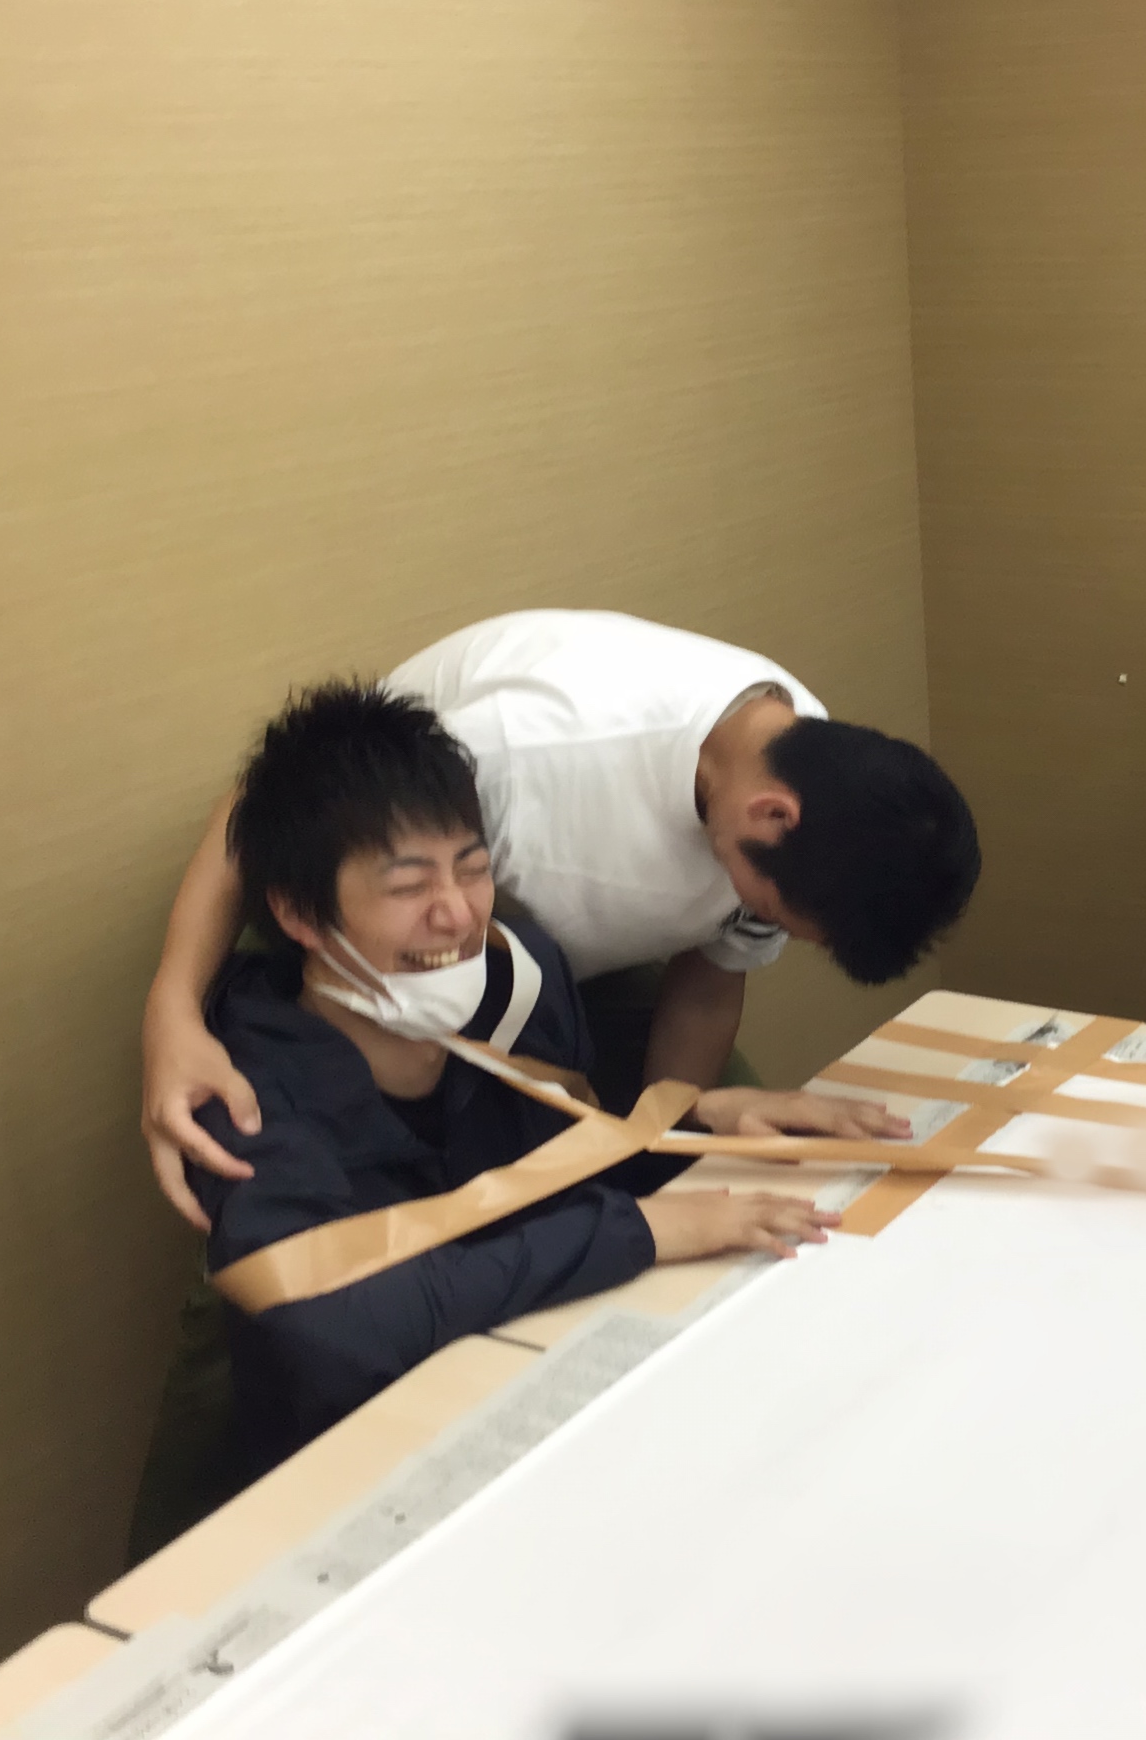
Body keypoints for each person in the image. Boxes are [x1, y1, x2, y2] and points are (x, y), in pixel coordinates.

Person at [194, 682, 847, 1476]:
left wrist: (699, 1125)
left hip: (549, 1401)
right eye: (408, 887)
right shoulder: (241, 1085)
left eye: (472, 870)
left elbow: (563, 1184)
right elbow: (329, 1331)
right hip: (365, 1463)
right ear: (299, 915)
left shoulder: (517, 979)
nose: (458, 915)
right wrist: (638, 1231)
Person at [142, 611, 977, 1229]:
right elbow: (265, 808)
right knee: (324, 1214)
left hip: (549, 964)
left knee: (723, 1161)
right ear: (769, 816)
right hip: (384, 946)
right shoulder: (533, 749)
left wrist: (675, 1122)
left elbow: (712, 974)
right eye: (769, 911)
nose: (763, 925)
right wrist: (173, 1013)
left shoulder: (816, 772)